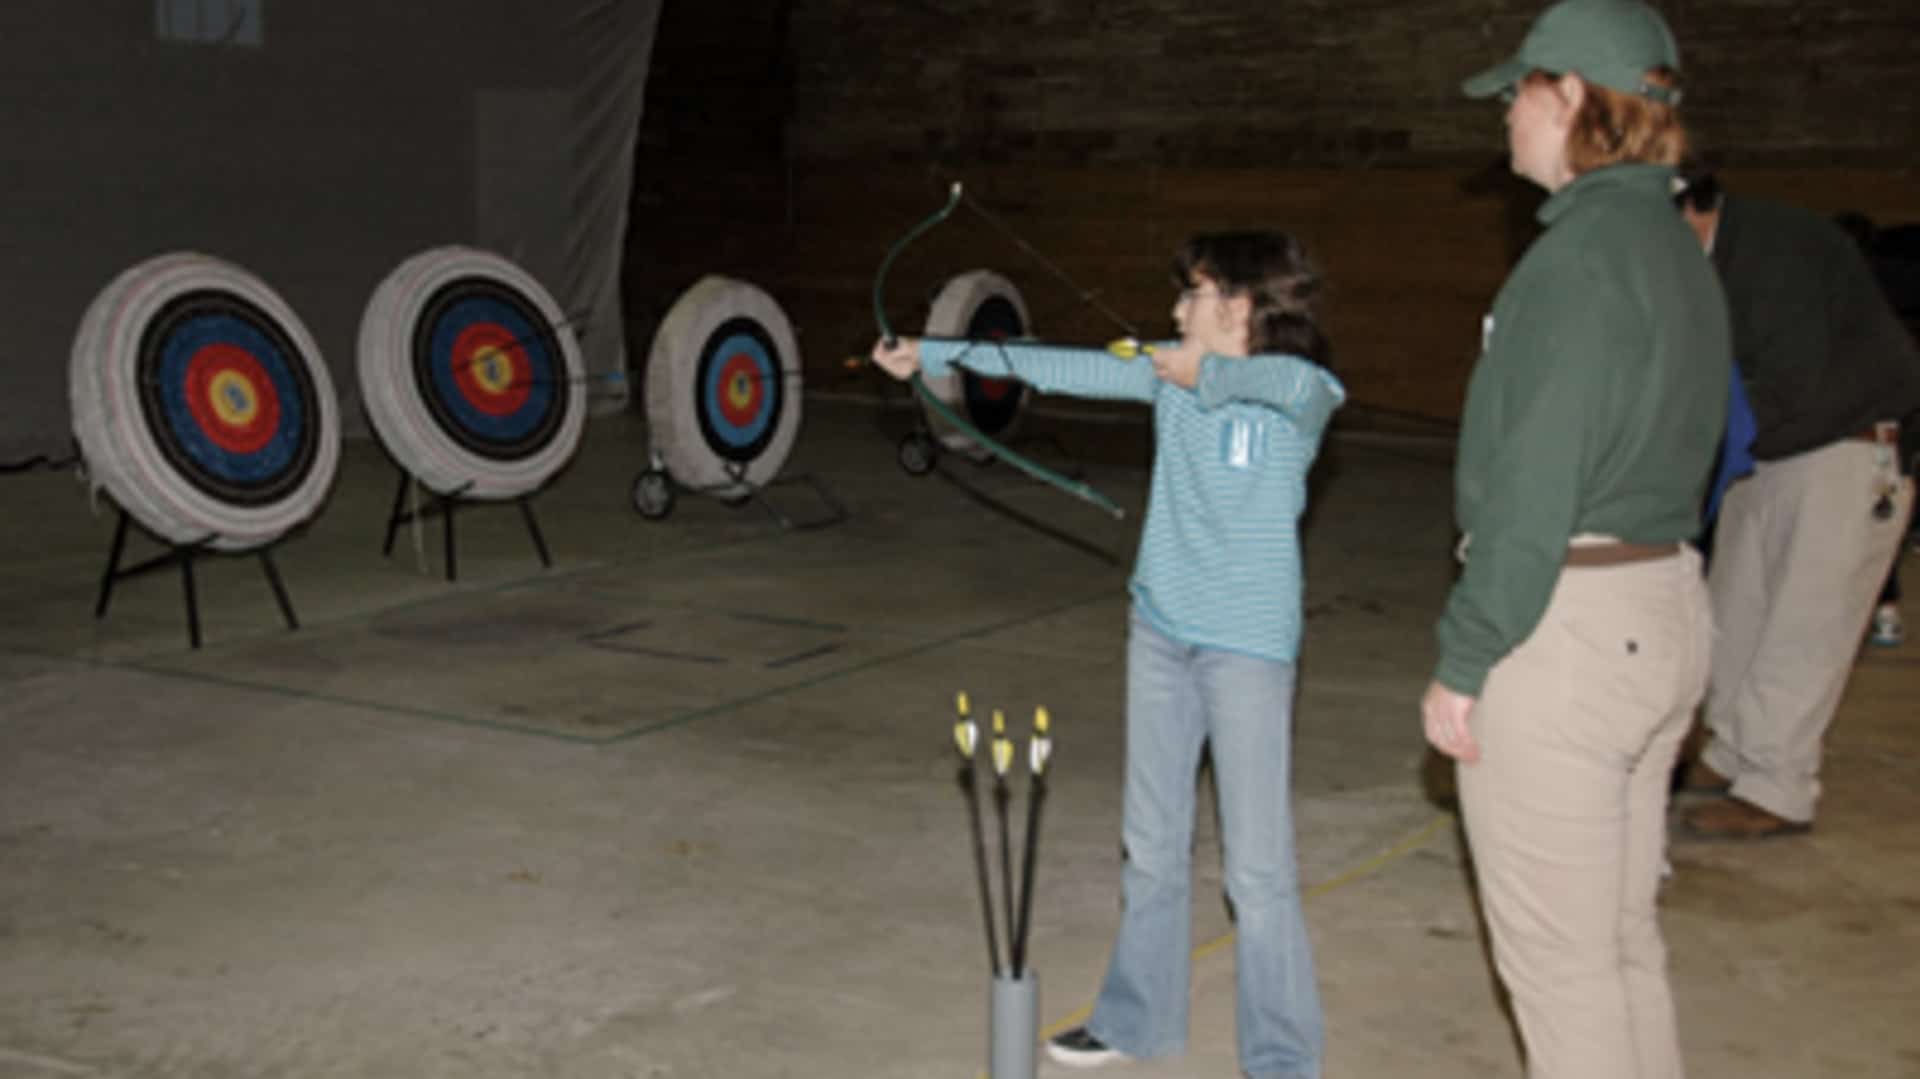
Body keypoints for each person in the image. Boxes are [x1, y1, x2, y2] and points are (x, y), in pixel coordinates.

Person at [871, 232, 1344, 1078]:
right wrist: (933, 355)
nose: (1174, 311)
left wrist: (1208, 374)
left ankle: (1281, 1058)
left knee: (1259, 868)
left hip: (1247, 651)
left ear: (1237, 306)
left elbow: (1303, 386)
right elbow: (1058, 364)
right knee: (1151, 843)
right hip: (1161, 630)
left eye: (1191, 295)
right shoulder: (1165, 368)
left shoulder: (1296, 393)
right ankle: (1138, 1018)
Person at [1422, 2, 1730, 1076]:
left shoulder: (1575, 265)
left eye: (1520, 89)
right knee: (1617, 944)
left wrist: (1467, 657)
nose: (1507, 112)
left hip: (1566, 627)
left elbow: (1531, 486)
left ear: (1572, 99)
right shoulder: (1674, 246)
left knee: (1560, 969)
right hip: (1664, 605)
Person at [1671, 171, 1920, 838]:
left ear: (1693, 203)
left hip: (1841, 449)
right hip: (1770, 452)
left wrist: (1687, 461)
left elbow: (1790, 382)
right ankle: (1729, 752)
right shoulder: (1711, 259)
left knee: (1801, 625)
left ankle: (1778, 787)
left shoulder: (1777, 250)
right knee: (1734, 610)